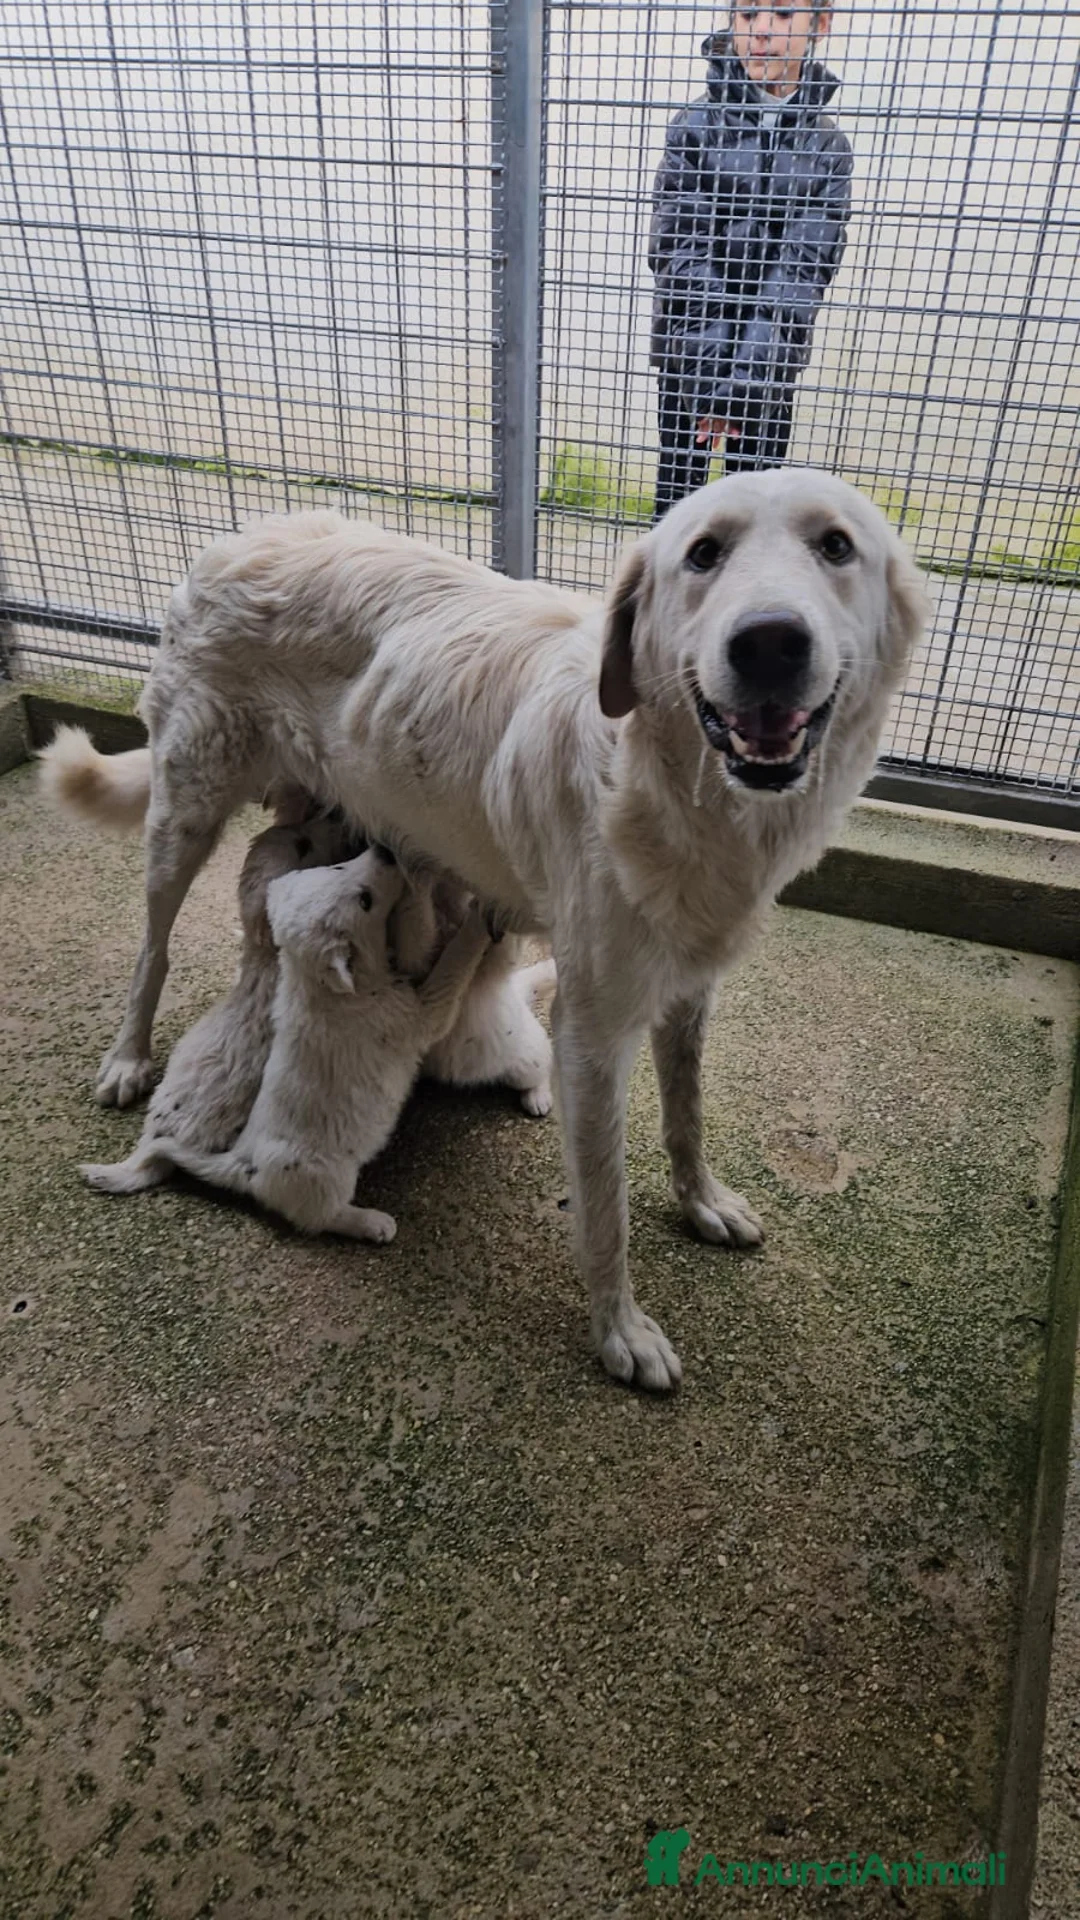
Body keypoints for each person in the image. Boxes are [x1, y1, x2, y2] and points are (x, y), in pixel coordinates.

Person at [648, 6, 852, 519]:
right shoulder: (694, 126)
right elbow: (679, 253)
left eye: (782, 13)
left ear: (820, 26)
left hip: (771, 363)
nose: (761, 30)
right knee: (679, 517)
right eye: (747, 13)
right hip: (689, 357)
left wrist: (745, 383)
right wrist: (713, 381)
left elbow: (804, 270)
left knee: (758, 519)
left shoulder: (828, 148)